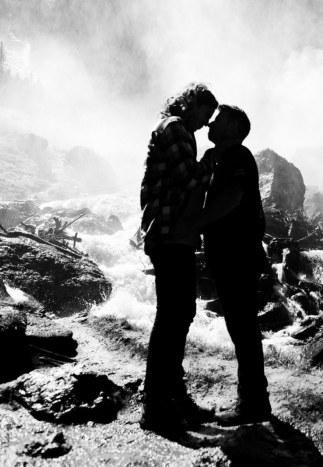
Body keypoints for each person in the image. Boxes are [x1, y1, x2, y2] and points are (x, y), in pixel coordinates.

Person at [179, 104, 272, 425]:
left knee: (242, 326)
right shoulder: (223, 158)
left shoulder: (238, 155)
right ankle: (254, 401)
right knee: (241, 325)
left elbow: (233, 196)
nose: (209, 126)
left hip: (238, 255)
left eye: (216, 121)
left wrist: (193, 222)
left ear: (233, 128)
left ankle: (253, 403)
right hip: (232, 255)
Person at [138, 83, 219, 435]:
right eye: (205, 114)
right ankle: (156, 405)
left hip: (178, 234)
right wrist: (212, 162)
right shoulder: (174, 128)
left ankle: (174, 395)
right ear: (192, 105)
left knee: (181, 312)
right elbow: (188, 179)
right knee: (172, 314)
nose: (206, 124)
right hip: (168, 232)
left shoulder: (182, 130)